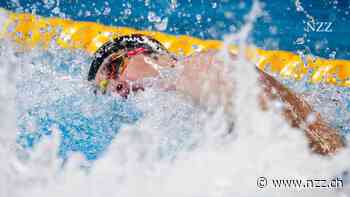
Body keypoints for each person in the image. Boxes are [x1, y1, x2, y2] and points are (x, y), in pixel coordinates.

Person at [87, 34, 344, 155]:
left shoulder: (198, 68)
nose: (116, 88)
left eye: (114, 68)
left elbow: (308, 142)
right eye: (105, 90)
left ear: (152, 54)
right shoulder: (176, 123)